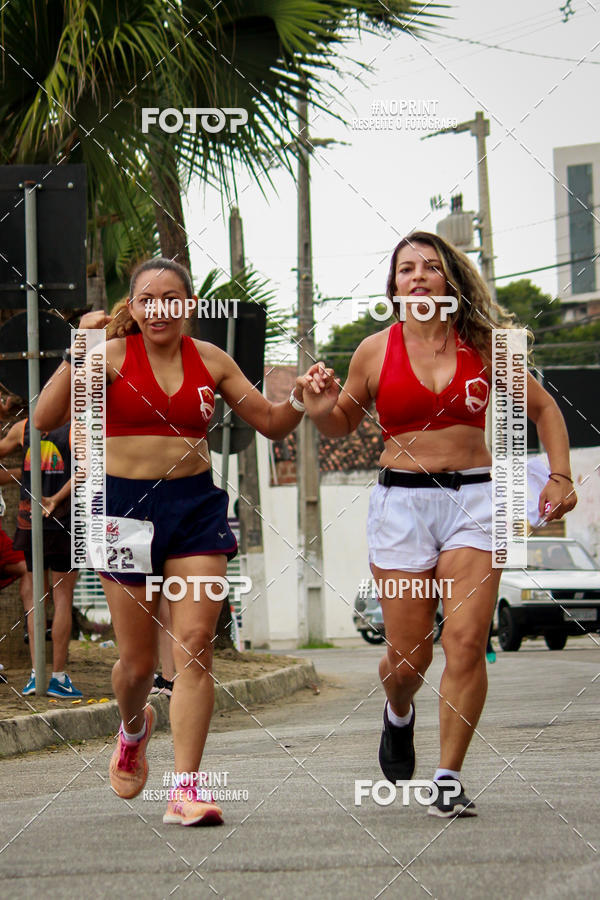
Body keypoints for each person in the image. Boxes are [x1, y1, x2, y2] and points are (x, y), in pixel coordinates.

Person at [34, 257, 322, 826]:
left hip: (194, 509)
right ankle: (134, 727)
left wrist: (301, 399)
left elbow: (267, 420)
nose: (159, 308)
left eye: (171, 298)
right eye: (147, 298)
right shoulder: (110, 356)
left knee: (195, 644)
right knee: (138, 664)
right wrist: (77, 354)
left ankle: (186, 788)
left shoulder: (210, 360)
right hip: (125, 512)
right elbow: (45, 417)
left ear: (187, 306)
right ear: (134, 308)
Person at [303, 231, 577, 818]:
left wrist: (560, 476)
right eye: (407, 269)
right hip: (401, 507)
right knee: (408, 661)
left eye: (431, 267)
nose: (419, 276)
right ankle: (397, 712)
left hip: (477, 504)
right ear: (395, 286)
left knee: (466, 642)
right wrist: (319, 403)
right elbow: (341, 424)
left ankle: (447, 779)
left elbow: (546, 407)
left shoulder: (486, 347)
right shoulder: (374, 351)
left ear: (451, 280)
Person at [0, 418, 81, 697]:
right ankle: (57, 677)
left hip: (29, 520)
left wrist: (18, 473)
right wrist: (57, 497)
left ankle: (37, 675)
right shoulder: (77, 427)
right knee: (62, 597)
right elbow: (86, 471)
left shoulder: (23, 427)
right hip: (64, 520)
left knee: (36, 598)